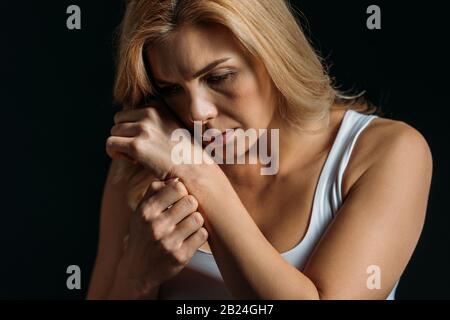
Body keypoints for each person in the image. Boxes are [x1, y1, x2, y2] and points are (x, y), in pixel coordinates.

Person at [87, 0, 433, 299]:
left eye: (218, 77)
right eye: (171, 89)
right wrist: (137, 277)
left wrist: (200, 176)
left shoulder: (385, 152)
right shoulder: (144, 167)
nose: (197, 112)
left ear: (273, 55)